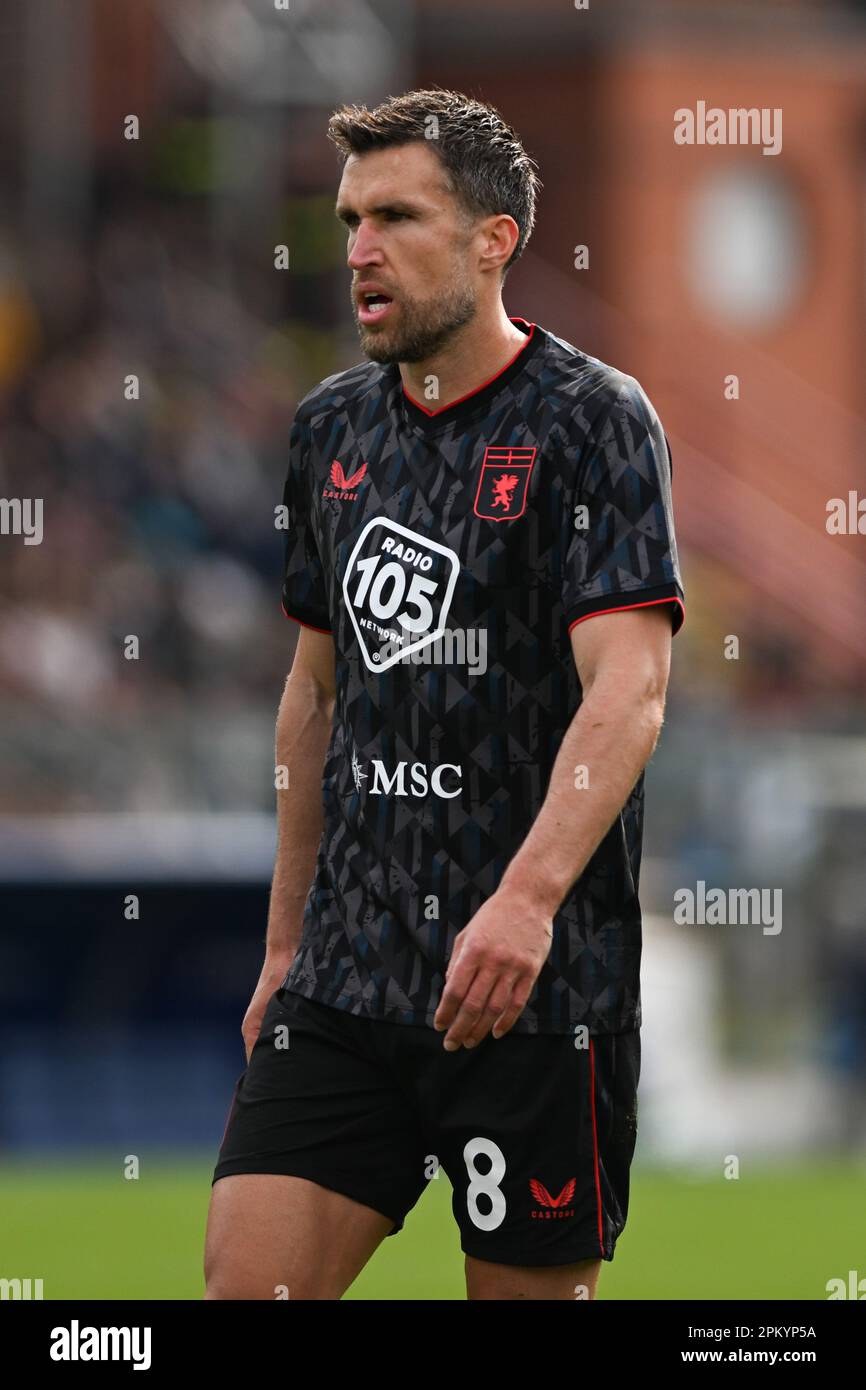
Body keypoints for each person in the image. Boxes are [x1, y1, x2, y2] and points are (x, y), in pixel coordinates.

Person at [205, 88, 685, 1301]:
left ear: (492, 240)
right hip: (346, 981)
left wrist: (522, 903)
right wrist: (281, 945)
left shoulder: (594, 423)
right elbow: (311, 697)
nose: (358, 249)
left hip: (531, 999)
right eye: (349, 219)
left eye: (396, 217)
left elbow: (626, 689)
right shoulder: (328, 428)